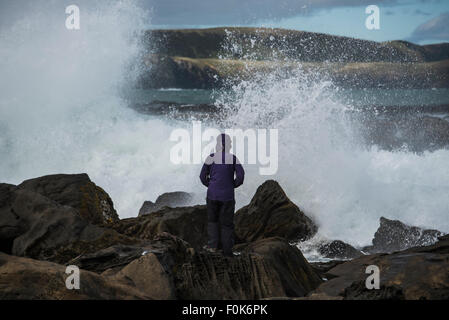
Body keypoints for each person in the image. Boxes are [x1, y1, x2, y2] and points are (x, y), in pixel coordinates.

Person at [199, 133, 245, 257]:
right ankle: (227, 251)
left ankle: (213, 247)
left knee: (213, 221)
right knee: (227, 224)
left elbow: (202, 176)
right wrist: (232, 185)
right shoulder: (233, 158)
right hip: (227, 197)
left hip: (212, 195)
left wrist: (210, 185)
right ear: (229, 145)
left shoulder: (211, 157)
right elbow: (240, 177)